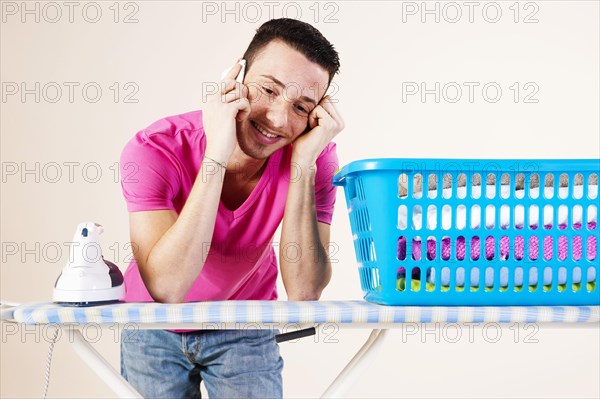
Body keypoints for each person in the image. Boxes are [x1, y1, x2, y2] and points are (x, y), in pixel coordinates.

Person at [118, 18, 344, 398]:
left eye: (301, 107)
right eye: (268, 89)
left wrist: (302, 165)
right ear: (237, 76)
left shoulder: (314, 157)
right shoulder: (154, 149)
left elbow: (305, 292)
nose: (278, 118)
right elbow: (168, 288)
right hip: (152, 323)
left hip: (245, 319)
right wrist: (216, 155)